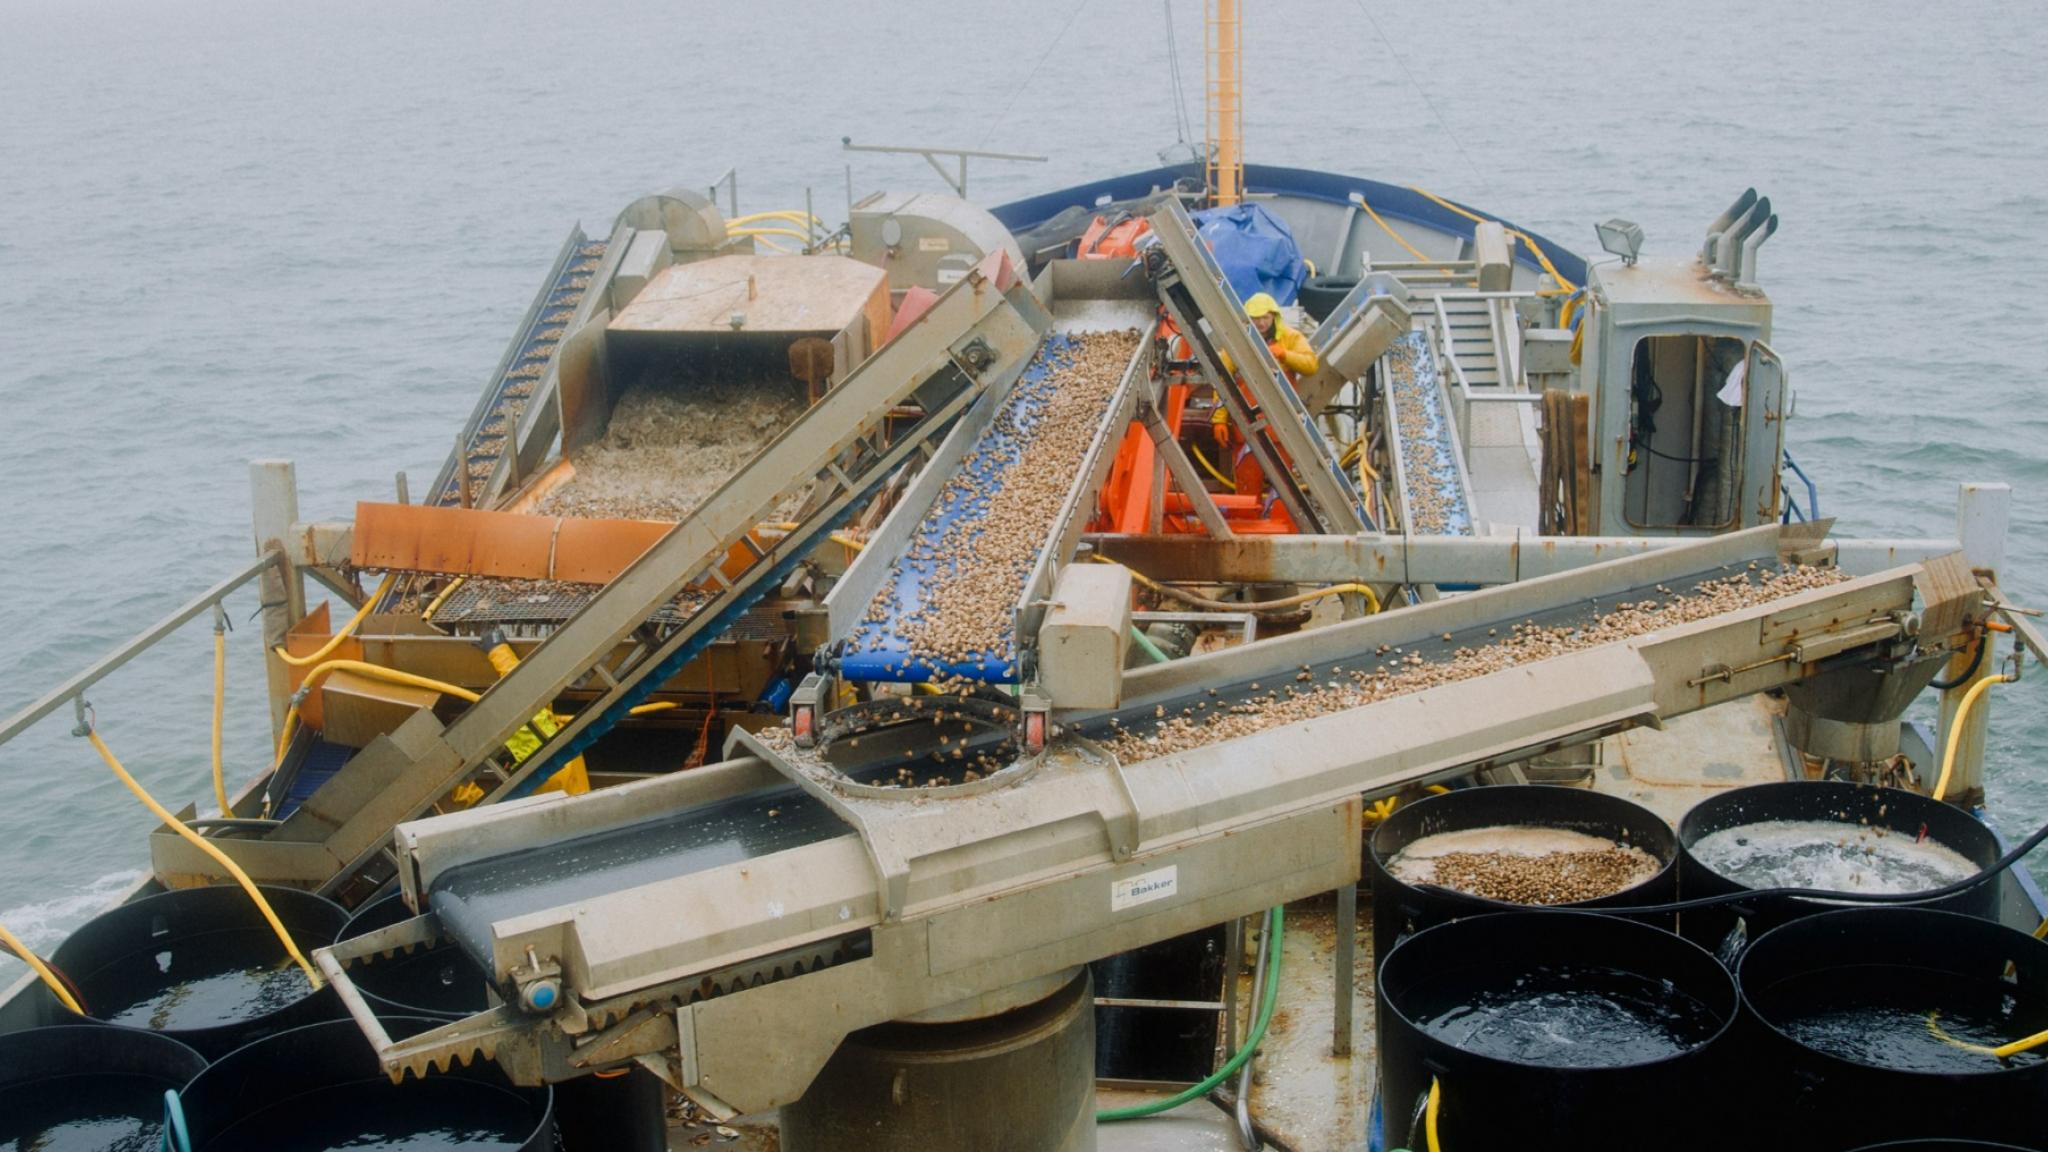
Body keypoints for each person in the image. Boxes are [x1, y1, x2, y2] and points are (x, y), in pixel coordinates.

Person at [1212, 293, 1318, 500]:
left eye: (1265, 318)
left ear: (1274, 317)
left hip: (1282, 426)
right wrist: (1219, 420)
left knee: (1285, 487)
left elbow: (1311, 365)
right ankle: (1246, 523)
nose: (1261, 323)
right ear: (1247, 319)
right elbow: (1222, 380)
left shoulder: (1291, 338)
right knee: (1246, 484)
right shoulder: (1236, 340)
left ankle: (1285, 524)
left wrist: (1285, 355)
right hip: (1247, 427)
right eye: (1255, 318)